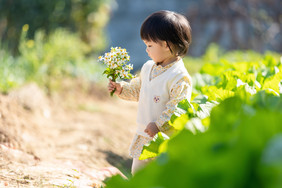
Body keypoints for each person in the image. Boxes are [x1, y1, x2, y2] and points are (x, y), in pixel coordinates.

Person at [108, 10, 192, 175]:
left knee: (162, 177)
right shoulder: (148, 68)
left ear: (166, 45)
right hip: (144, 135)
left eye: (149, 45)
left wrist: (159, 125)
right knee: (138, 174)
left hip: (165, 140)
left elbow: (178, 108)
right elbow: (138, 89)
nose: (146, 50)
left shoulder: (179, 77)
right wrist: (122, 89)